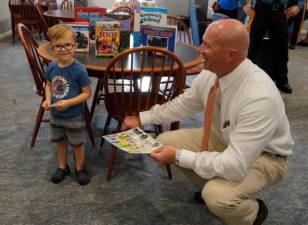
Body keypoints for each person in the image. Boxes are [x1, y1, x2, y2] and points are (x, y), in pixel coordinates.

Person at [121, 19, 293, 225]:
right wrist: (142, 118)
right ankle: (215, 180)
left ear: (231, 54)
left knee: (217, 197)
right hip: (225, 139)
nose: (200, 49)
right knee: (165, 140)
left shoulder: (258, 97)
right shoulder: (212, 73)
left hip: (266, 157)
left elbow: (236, 165)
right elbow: (183, 105)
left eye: (207, 46)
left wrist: (179, 155)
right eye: (202, 42)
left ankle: (253, 213)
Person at [42, 24, 92, 185]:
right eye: (58, 46)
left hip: (74, 115)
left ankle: (79, 168)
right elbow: (48, 84)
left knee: (77, 143)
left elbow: (87, 93)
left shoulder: (79, 69)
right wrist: (48, 99)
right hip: (56, 115)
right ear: (52, 47)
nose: (63, 49)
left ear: (75, 46)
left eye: (67, 45)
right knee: (60, 141)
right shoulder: (52, 66)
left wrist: (69, 102)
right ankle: (62, 167)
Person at [247, 0, 304, 94]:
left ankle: (282, 81)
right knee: (253, 48)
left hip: (280, 12)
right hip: (260, 11)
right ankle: (247, 79)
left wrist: (298, 6)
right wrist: (246, 3)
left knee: (282, 50)